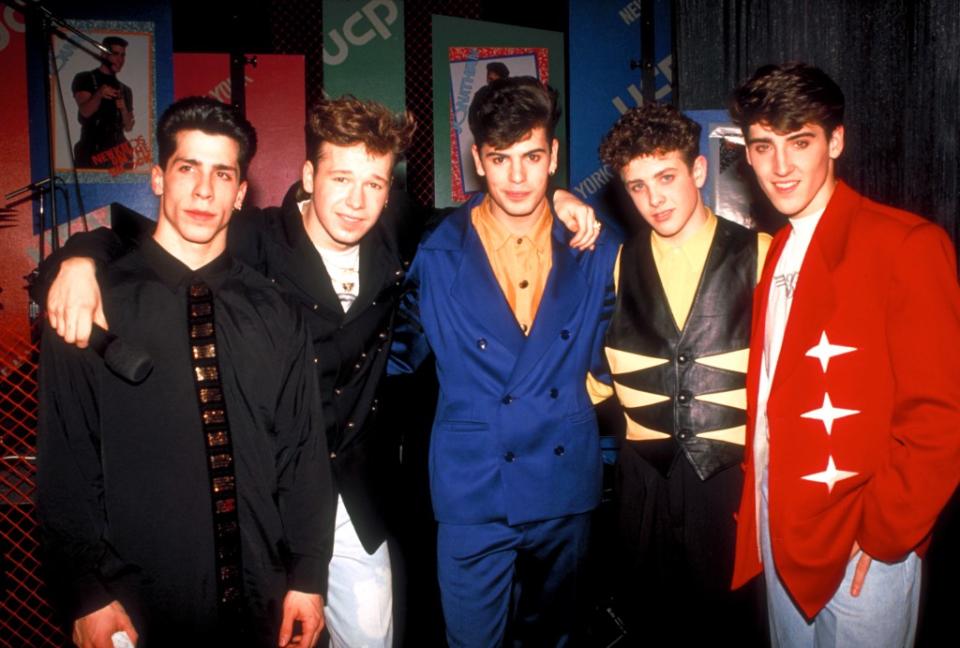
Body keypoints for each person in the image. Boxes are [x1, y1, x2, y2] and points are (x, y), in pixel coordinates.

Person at [38, 93, 600, 647]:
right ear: (308, 175)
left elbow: (495, 208)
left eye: (374, 184)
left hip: (358, 493)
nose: (356, 201)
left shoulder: (400, 231)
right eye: (340, 179)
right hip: (261, 491)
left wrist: (562, 203)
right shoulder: (253, 235)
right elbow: (148, 244)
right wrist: (77, 259)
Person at [37, 97, 333, 648]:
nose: (204, 190)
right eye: (187, 168)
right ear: (156, 178)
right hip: (134, 608)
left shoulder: (277, 311)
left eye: (222, 173)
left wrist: (309, 577)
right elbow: (67, 463)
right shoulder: (93, 303)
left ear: (241, 192)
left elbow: (302, 454)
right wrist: (85, 593)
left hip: (261, 602)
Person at [728, 62, 960, 646]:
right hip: (782, 529)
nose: (780, 167)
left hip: (863, 545)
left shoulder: (906, 244)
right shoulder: (778, 248)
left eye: (799, 142)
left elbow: (941, 419)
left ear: (836, 140)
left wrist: (885, 535)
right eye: (763, 146)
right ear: (748, 154)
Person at [389, 76, 618, 647]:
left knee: (556, 640)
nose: (518, 177)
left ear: (554, 157)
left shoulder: (597, 246)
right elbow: (391, 356)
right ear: (477, 159)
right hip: (471, 485)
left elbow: (617, 353)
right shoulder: (436, 251)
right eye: (501, 158)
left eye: (532, 157)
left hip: (564, 483)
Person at [590, 102, 770, 643]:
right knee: (651, 624)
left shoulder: (762, 253)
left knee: (733, 625)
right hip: (644, 482)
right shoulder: (618, 262)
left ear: (698, 170)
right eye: (637, 185)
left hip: (730, 480)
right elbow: (594, 371)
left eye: (666, 177)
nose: (654, 199)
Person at [72, 36, 135, 169]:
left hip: (120, 152)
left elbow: (128, 127)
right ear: (103, 54)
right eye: (115, 54)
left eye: (123, 55)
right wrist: (99, 94)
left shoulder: (125, 89)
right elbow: (85, 112)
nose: (120, 59)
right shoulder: (85, 78)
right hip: (92, 151)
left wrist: (123, 108)